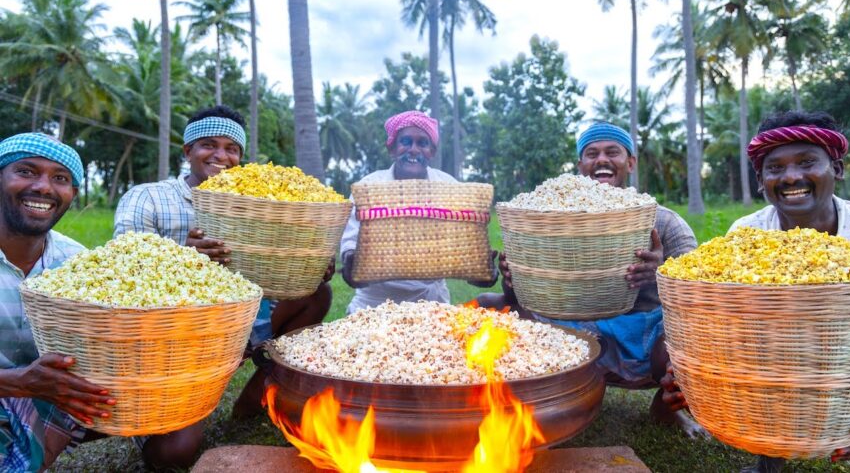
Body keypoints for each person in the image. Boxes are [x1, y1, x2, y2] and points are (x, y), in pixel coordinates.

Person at [661, 111, 850, 471]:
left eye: (806, 162)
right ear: (760, 180)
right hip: (781, 353)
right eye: (775, 168)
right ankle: (768, 456)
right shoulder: (745, 233)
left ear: (838, 169)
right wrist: (696, 374)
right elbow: (731, 322)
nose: (792, 177)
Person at [479, 121, 705, 436]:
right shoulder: (547, 220)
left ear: (631, 162)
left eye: (612, 152)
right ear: (580, 165)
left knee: (694, 338)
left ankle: (667, 407)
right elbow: (521, 297)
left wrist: (661, 272)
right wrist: (513, 279)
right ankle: (514, 403)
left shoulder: (665, 222)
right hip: (566, 331)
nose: (601, 160)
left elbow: (698, 292)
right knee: (486, 307)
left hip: (640, 341)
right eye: (591, 153)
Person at [113, 105, 333, 420]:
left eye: (231, 149)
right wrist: (182, 257)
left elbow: (273, 262)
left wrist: (310, 265)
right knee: (173, 454)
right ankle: (177, 392)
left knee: (317, 295)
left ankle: (253, 406)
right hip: (176, 331)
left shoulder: (254, 203)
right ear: (188, 150)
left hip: (243, 321)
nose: (221, 156)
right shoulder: (148, 197)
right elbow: (122, 267)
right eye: (209, 145)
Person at [0, 132, 203, 470]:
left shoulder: (77, 261)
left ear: (73, 194)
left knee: (177, 440)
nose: (44, 187)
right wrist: (18, 383)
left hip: (54, 394)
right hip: (12, 389)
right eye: (26, 171)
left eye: (60, 179)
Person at [340, 110, 496, 314]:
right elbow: (350, 264)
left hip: (434, 307)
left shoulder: (449, 188)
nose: (413, 150)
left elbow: (470, 265)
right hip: (373, 307)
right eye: (405, 141)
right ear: (392, 149)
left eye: (422, 143)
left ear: (432, 151)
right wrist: (353, 264)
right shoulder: (368, 189)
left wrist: (483, 271)